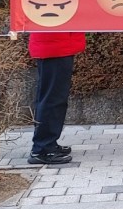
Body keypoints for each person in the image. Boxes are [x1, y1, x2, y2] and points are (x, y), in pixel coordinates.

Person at [27, 31, 86, 165]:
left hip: (56, 45)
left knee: (52, 97)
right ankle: (42, 149)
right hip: (54, 46)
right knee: (52, 99)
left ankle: (47, 144)